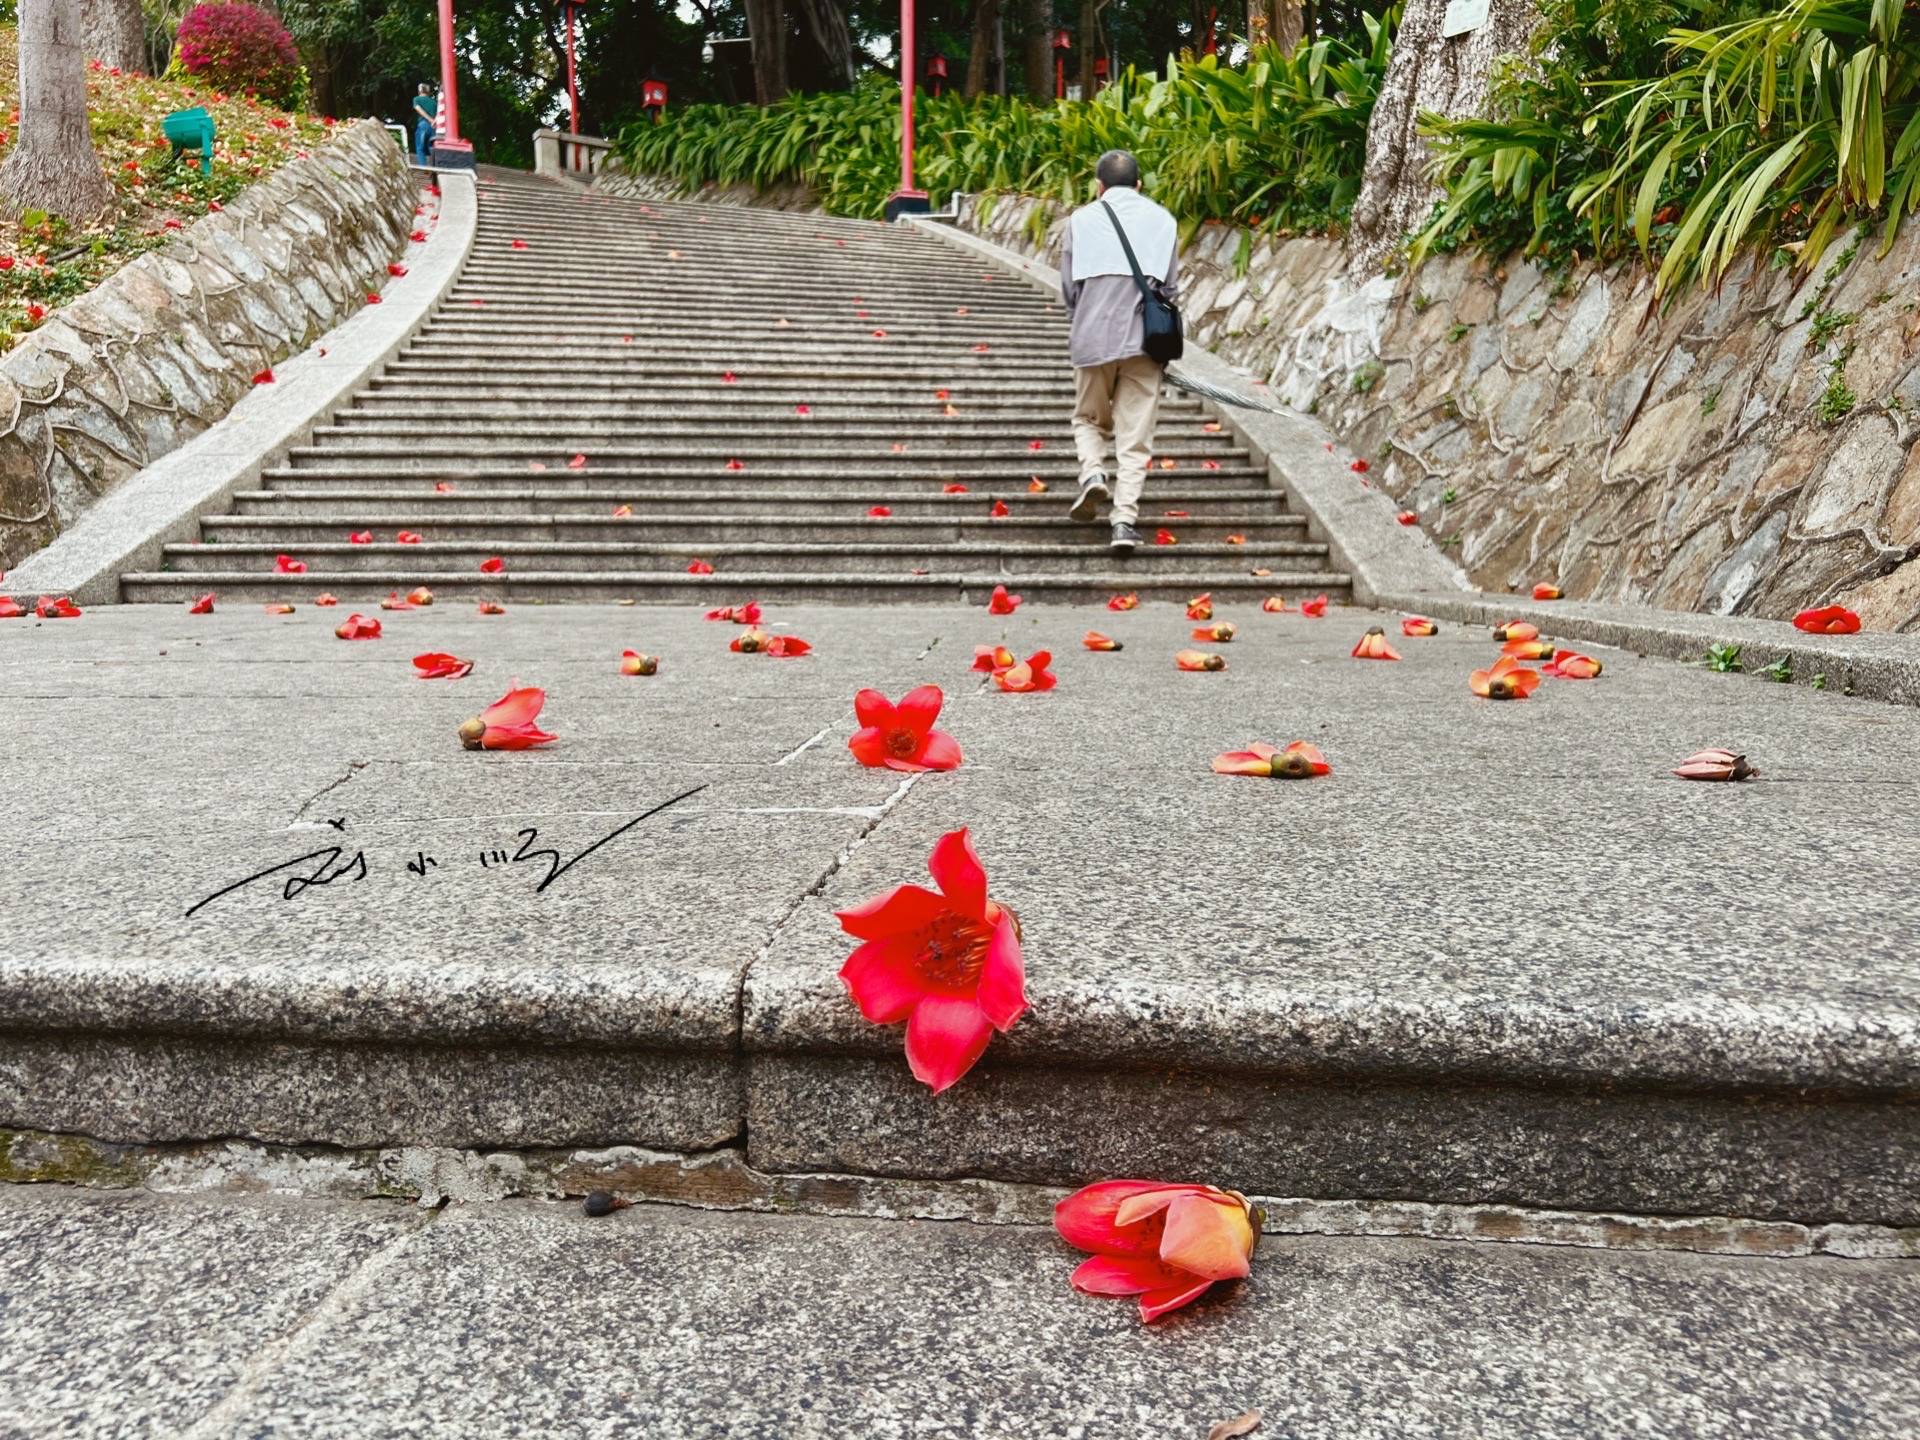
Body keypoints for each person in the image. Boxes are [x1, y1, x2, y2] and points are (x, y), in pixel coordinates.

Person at [1058, 149, 1180, 555]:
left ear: (1099, 186)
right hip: (1144, 344)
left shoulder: (1080, 220)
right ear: (1139, 184)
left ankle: (1093, 473)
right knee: (1135, 436)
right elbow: (1169, 290)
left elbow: (1069, 291)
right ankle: (1124, 522)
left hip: (1091, 340)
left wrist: (1088, 317)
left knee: (1088, 418)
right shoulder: (1164, 221)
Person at [413, 84, 437, 164]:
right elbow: (438, 114)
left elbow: (418, 109)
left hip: (423, 125)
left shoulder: (417, 99)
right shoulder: (434, 102)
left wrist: (429, 120)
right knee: (432, 148)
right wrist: (433, 121)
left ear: (420, 90)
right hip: (433, 127)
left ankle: (424, 169)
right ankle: (435, 169)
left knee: (420, 148)